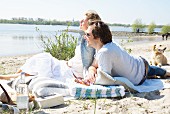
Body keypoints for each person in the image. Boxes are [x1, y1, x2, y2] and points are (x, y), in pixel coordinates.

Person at [0, 10, 101, 82]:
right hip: (67, 66)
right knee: (39, 59)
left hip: (71, 73)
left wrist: (88, 73)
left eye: (83, 20)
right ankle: (11, 77)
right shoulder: (83, 38)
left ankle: (7, 78)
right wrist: (68, 62)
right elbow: (79, 58)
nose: (80, 22)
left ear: (90, 22)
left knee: (43, 59)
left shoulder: (93, 41)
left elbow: (93, 60)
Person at [84, 20, 170, 85]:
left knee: (156, 71)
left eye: (88, 35)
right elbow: (94, 65)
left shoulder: (105, 52)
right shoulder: (102, 47)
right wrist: (91, 72)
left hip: (141, 67)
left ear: (98, 38)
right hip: (137, 66)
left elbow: (105, 79)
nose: (85, 37)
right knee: (151, 72)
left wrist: (87, 80)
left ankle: (165, 72)